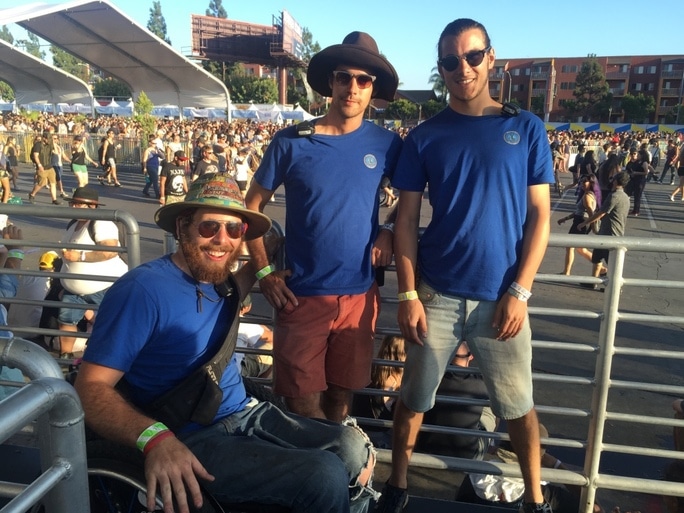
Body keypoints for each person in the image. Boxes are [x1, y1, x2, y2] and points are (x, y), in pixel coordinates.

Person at [73, 174, 377, 513]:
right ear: (182, 228)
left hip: (246, 415)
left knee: (351, 446)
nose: (222, 240)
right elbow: (90, 388)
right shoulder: (143, 292)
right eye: (209, 227)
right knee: (324, 475)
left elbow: (257, 262)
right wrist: (154, 438)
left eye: (235, 230)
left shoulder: (224, 283)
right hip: (194, 435)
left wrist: (271, 261)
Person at [376, 18, 554, 513]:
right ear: (441, 70)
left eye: (473, 56)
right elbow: (406, 220)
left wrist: (521, 291)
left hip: (502, 296)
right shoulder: (425, 137)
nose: (463, 68)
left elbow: (541, 218)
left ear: (491, 58)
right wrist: (408, 294)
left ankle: (535, 499)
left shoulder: (525, 127)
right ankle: (399, 485)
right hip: (437, 292)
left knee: (519, 407)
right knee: (413, 399)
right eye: (451, 61)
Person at [245, 31, 402, 422]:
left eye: (363, 80)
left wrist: (389, 228)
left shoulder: (388, 145)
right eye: (343, 77)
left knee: (340, 397)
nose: (352, 87)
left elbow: (411, 203)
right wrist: (264, 272)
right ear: (330, 83)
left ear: (373, 89)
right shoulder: (291, 141)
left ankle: (333, 477)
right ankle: (316, 472)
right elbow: (251, 205)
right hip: (301, 295)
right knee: (300, 401)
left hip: (358, 296)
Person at [57, 186, 128, 359]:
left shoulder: (101, 223)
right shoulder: (73, 223)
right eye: (74, 203)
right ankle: (64, 356)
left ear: (93, 206)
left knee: (110, 322)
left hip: (103, 286)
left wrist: (79, 256)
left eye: (80, 204)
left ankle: (110, 359)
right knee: (65, 320)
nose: (75, 207)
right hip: (74, 289)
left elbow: (111, 250)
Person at [416, 342, 496, 461]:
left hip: (425, 448)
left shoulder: (431, 378)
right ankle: (492, 444)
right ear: (472, 356)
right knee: (492, 406)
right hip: (468, 454)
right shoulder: (482, 382)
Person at [578, 171, 631, 289]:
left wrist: (585, 222)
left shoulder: (614, 196)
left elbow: (601, 213)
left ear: (616, 181)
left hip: (610, 233)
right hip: (611, 231)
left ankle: (615, 287)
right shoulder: (626, 197)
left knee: (611, 262)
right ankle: (593, 281)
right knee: (597, 258)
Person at [352, 335, 407, 448]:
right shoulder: (396, 382)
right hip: (381, 437)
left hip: (359, 432)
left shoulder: (369, 372)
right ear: (402, 355)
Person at [557, 175, 601, 276]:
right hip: (581, 221)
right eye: (581, 182)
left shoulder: (587, 196)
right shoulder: (590, 194)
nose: (581, 184)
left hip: (580, 222)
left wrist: (591, 226)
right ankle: (601, 268)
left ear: (591, 183)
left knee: (570, 246)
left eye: (584, 182)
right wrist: (565, 218)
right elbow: (579, 211)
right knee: (580, 249)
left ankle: (566, 272)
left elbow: (590, 212)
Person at [236, 294, 274, 379]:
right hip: (237, 371)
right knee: (274, 347)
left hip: (215, 368)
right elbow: (273, 338)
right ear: (247, 307)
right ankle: (259, 385)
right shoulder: (246, 325)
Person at [27, 131, 61, 205]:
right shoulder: (38, 145)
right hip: (42, 167)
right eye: (48, 139)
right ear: (44, 138)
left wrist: (54, 144)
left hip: (50, 167)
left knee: (53, 183)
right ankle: (32, 194)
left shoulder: (50, 145)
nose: (49, 140)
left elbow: (56, 152)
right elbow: (35, 156)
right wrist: (39, 165)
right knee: (41, 184)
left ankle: (54, 199)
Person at [142, 134, 164, 199]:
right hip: (150, 166)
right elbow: (144, 160)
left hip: (156, 165)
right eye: (153, 143)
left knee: (151, 180)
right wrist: (145, 167)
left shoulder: (156, 150)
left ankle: (145, 190)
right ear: (150, 143)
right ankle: (157, 194)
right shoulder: (148, 150)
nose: (155, 144)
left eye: (155, 143)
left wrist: (158, 151)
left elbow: (162, 156)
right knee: (155, 180)